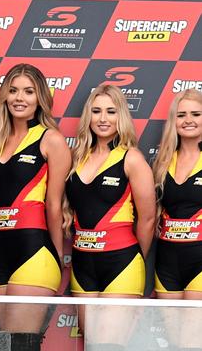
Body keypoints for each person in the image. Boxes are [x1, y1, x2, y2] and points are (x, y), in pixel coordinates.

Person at [0, 63, 70, 351]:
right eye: (14, 90)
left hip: (35, 251)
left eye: (29, 92)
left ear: (40, 97)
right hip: (1, 251)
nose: (20, 98)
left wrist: (55, 257)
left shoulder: (51, 140)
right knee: (7, 346)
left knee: (22, 346)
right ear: (5, 96)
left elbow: (54, 206)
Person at [64, 84, 156, 349]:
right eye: (96, 111)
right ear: (88, 116)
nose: (103, 119)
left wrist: (132, 258)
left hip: (121, 263)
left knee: (109, 346)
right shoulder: (76, 158)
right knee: (91, 344)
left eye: (111, 111)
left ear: (121, 116)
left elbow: (148, 219)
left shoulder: (132, 159)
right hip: (82, 265)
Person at [152, 89, 202, 350]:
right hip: (167, 265)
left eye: (196, 114)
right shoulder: (162, 161)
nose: (188, 120)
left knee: (191, 344)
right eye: (181, 115)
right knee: (174, 345)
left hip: (200, 262)